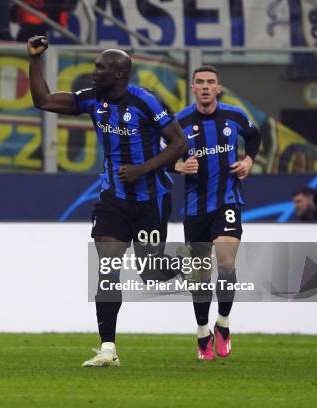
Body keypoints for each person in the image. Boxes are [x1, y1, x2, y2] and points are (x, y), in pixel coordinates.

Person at [27, 36, 187, 367]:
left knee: (151, 273)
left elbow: (179, 143)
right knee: (108, 267)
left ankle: (187, 265)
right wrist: (34, 59)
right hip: (113, 199)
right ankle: (108, 349)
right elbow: (43, 100)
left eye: (100, 67)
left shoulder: (147, 102)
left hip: (150, 201)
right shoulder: (93, 100)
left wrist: (143, 169)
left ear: (119, 74)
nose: (93, 71)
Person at [173, 65, 261, 360]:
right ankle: (202, 331)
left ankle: (222, 323)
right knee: (199, 274)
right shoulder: (179, 121)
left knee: (225, 262)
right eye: (200, 82)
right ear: (193, 89)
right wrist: (179, 166)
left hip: (227, 201)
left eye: (211, 82)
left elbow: (255, 135)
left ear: (218, 87)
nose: (206, 86)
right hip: (195, 208)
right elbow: (159, 156)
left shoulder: (234, 115)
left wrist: (248, 160)